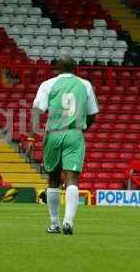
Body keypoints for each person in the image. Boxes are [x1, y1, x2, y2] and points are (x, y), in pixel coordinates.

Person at [29, 55, 99, 235]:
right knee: (72, 179)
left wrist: (31, 138)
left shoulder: (48, 84)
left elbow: (36, 111)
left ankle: (54, 224)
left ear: (57, 67)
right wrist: (82, 129)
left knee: (53, 178)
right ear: (74, 68)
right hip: (75, 133)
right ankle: (68, 221)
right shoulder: (85, 85)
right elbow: (92, 114)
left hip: (53, 134)